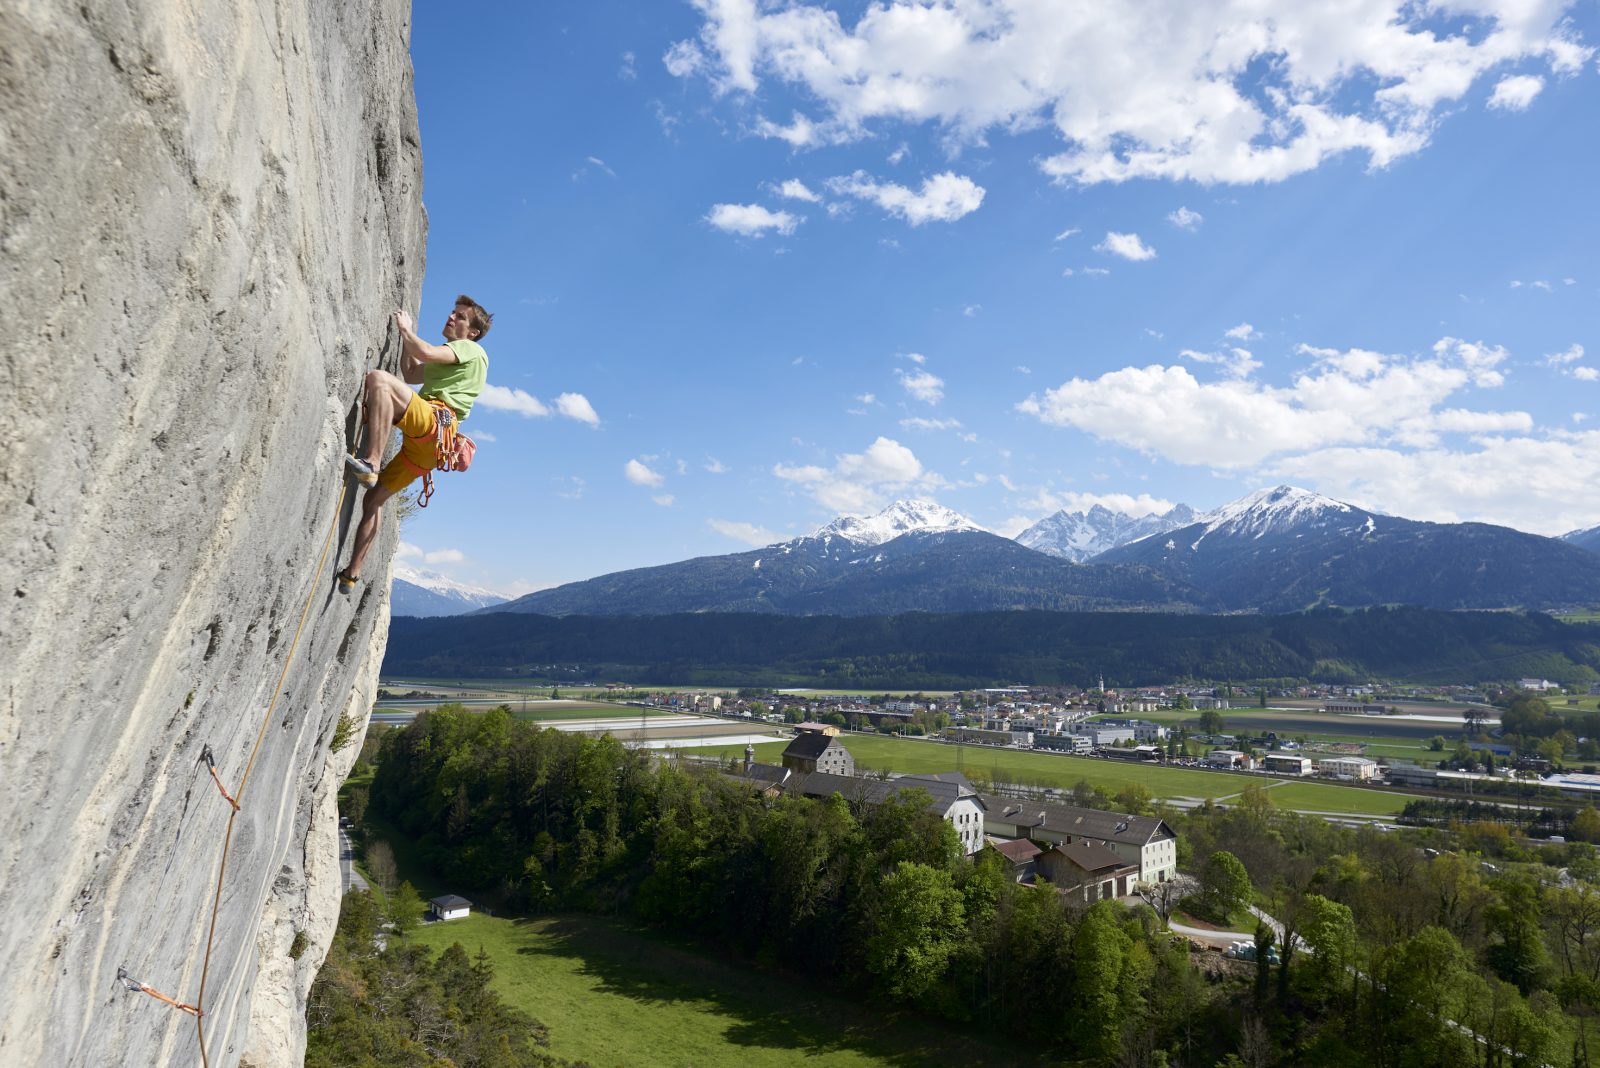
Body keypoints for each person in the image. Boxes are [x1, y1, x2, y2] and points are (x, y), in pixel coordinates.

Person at [336, 295, 491, 593]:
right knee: (374, 500)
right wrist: (405, 340)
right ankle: (351, 575)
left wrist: (407, 330)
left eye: (460, 316)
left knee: (379, 380)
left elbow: (426, 352)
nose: (451, 317)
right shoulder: (453, 361)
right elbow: (410, 373)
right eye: (452, 312)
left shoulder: (470, 349)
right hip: (429, 449)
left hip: (434, 423)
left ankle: (372, 462)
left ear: (472, 332)